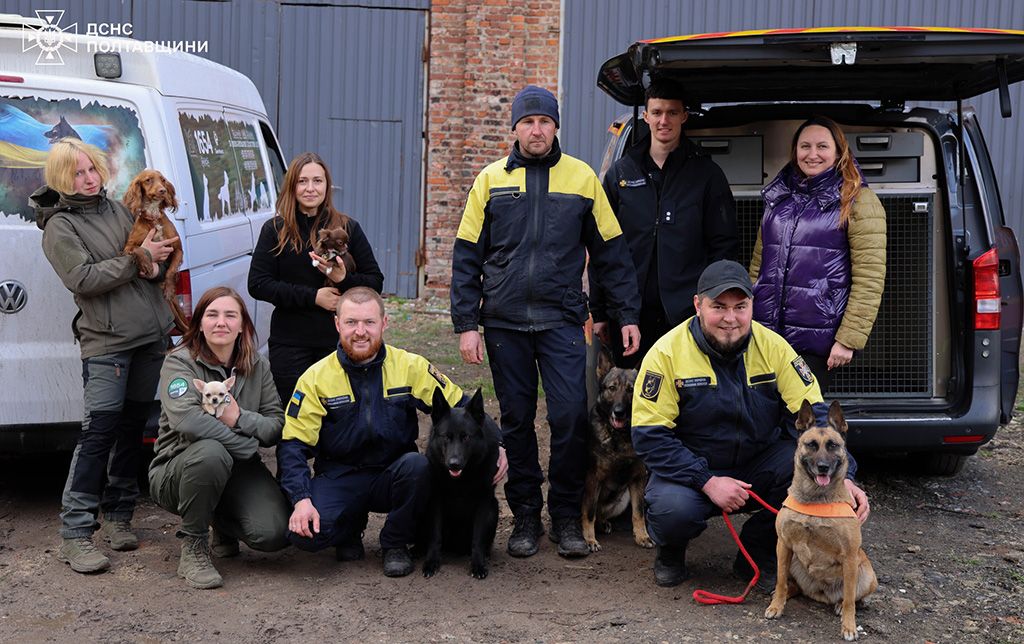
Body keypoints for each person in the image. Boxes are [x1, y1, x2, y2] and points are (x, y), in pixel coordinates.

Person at [450, 85, 641, 559]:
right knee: (515, 421)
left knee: (570, 419)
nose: (537, 130)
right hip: (503, 322)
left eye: (545, 122)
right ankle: (527, 518)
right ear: (513, 128)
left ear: (557, 127)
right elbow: (465, 255)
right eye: (528, 122)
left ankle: (565, 519)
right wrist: (466, 323)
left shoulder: (581, 179)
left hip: (560, 320)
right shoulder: (489, 181)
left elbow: (612, 253)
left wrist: (627, 314)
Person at [631, 260, 870, 588]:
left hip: (759, 462)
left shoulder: (774, 347)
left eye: (740, 307)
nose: (730, 319)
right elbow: (649, 437)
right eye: (718, 307)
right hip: (694, 470)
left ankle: (757, 549)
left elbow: (819, 420)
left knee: (809, 474)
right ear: (698, 305)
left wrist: (849, 478)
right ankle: (671, 552)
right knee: (672, 510)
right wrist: (708, 481)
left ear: (752, 306)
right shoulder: (666, 353)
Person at [278, 287, 506, 577]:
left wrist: (500, 444)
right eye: (351, 322)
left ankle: (395, 542)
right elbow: (292, 445)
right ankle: (348, 528)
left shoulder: (410, 366)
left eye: (369, 322)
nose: (360, 332)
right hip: (341, 475)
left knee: (421, 466)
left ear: (384, 324)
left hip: (396, 473)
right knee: (305, 537)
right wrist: (301, 500)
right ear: (337, 324)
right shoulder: (315, 379)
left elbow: (462, 407)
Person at [33, 138, 178, 574]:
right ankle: (75, 533)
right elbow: (82, 278)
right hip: (107, 342)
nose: (89, 178)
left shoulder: (117, 209)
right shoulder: (60, 226)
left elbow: (148, 259)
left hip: (149, 337)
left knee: (134, 428)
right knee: (99, 433)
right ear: (62, 179)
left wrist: (156, 263)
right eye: (78, 173)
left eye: (92, 169)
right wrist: (139, 261)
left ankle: (118, 517)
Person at [148, 287, 292, 589]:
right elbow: (188, 421)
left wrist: (239, 417)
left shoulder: (257, 365)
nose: (221, 322)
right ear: (199, 322)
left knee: (273, 533)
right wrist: (242, 443)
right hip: (180, 466)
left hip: (239, 469)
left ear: (242, 325)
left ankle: (218, 520)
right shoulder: (180, 362)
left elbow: (276, 426)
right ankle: (194, 548)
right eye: (212, 315)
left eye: (230, 315)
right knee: (212, 452)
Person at [593, 79, 738, 367]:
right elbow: (602, 248)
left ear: (684, 116)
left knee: (687, 398)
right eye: (657, 112)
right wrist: (598, 312)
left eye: (672, 112)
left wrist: (714, 305)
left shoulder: (706, 175)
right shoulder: (621, 173)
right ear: (645, 116)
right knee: (634, 399)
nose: (664, 121)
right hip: (629, 317)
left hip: (687, 315)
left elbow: (724, 247)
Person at [749, 116, 887, 390]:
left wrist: (848, 339)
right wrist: (746, 322)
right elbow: (758, 268)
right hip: (767, 335)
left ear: (839, 151)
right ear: (795, 151)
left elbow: (870, 279)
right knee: (764, 416)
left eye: (822, 146)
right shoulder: (779, 197)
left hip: (817, 338)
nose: (812, 154)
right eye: (805, 146)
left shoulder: (858, 200)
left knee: (801, 418)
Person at [248, 152, 384, 405]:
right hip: (290, 343)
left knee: (339, 419)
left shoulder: (347, 228)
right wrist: (313, 298)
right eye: (302, 181)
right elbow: (258, 283)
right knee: (296, 417)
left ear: (327, 186)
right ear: (292, 186)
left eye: (318, 181)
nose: (310, 188)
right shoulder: (275, 230)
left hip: (339, 342)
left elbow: (375, 281)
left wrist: (344, 280)